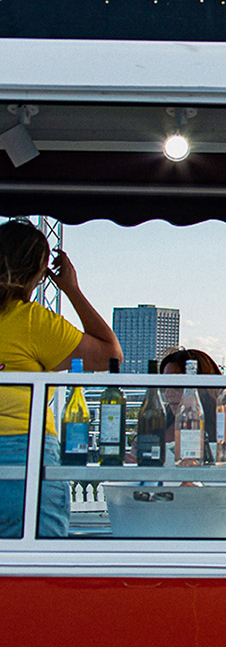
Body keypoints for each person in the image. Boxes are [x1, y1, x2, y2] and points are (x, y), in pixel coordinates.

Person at [0, 223, 122, 540]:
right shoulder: (31, 321)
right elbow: (110, 355)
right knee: (37, 576)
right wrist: (71, 289)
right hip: (22, 458)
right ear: (38, 272)